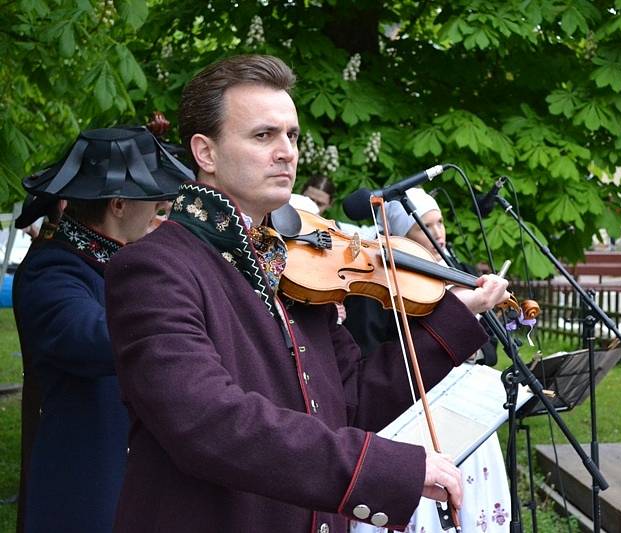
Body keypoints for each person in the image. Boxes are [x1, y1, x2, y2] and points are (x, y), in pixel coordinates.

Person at [103, 54, 509, 533]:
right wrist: (380, 470)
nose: (286, 152)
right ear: (205, 153)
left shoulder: (291, 265)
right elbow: (206, 421)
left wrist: (451, 319)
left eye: (291, 136)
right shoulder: (153, 266)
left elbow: (352, 403)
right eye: (263, 135)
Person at [12, 126, 192, 533]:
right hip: (84, 481)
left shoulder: (111, 260)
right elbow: (92, 338)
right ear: (118, 205)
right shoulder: (52, 270)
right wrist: (186, 320)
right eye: (152, 202)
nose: (160, 210)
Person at [347, 187, 510, 533]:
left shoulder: (459, 272)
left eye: (439, 222)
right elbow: (372, 356)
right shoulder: (378, 283)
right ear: (401, 237)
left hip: (463, 412)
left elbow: (491, 349)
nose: (438, 232)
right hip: (410, 418)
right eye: (425, 226)